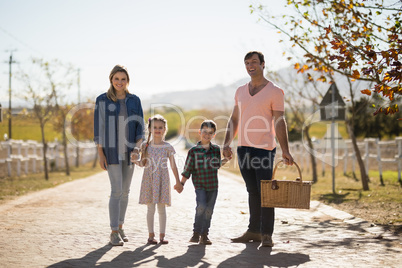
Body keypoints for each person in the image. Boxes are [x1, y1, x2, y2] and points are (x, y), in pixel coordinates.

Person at [222, 51, 294, 248]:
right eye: (247, 63)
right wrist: (227, 142)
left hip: (264, 149)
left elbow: (280, 121)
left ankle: (267, 234)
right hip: (243, 148)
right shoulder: (240, 91)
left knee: (265, 193)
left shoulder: (274, 91)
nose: (250, 65)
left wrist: (285, 150)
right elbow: (234, 119)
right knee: (252, 191)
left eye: (254, 62)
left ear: (263, 64)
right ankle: (253, 231)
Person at [93, 64, 144, 246]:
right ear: (111, 80)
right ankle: (113, 231)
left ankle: (121, 226)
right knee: (116, 191)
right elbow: (99, 127)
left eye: (123, 79)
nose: (120, 82)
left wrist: (137, 149)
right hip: (112, 152)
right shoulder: (102, 100)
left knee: (125, 192)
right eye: (116, 79)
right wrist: (100, 153)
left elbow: (140, 128)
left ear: (127, 81)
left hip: (130, 153)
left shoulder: (135, 100)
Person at [179, 120, 231, 245]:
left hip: (213, 186)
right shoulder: (193, 151)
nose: (207, 135)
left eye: (210, 133)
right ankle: (196, 233)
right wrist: (181, 184)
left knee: (209, 210)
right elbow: (187, 169)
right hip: (200, 185)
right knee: (201, 206)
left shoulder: (215, 150)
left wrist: (226, 159)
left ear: (213, 135)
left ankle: (204, 235)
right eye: (204, 132)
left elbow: (216, 165)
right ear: (200, 132)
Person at [133, 114, 182, 245]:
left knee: (162, 209)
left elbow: (173, 165)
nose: (157, 130)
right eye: (155, 127)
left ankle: (162, 236)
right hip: (149, 179)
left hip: (163, 180)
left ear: (164, 129)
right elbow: (143, 163)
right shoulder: (146, 146)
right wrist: (135, 161)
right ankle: (151, 236)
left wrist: (178, 181)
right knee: (150, 209)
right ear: (150, 129)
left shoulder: (167, 147)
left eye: (160, 127)